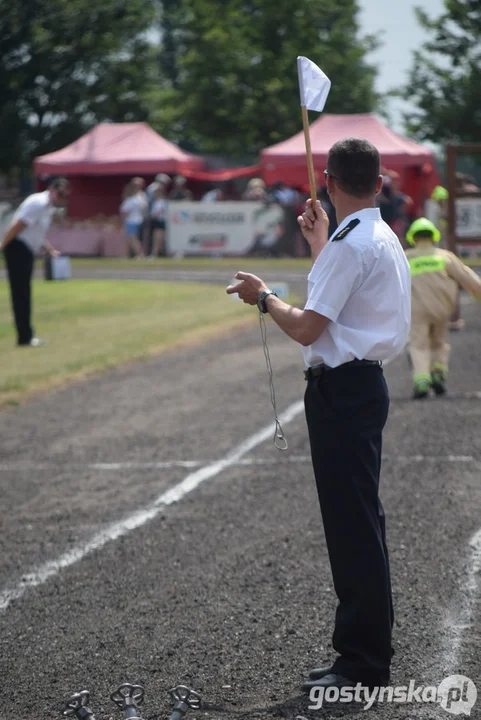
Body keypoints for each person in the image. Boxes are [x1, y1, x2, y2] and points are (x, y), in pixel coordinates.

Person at [227, 138, 411, 692]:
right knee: (361, 523)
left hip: (344, 391)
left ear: (329, 181)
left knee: (352, 529)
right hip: (361, 385)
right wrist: (318, 243)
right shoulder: (375, 235)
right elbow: (338, 306)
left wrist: (264, 297)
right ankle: (365, 652)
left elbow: (309, 327)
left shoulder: (350, 244)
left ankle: (362, 663)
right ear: (379, 184)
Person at [405, 217, 481, 399]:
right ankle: (438, 373)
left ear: (414, 238)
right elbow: (469, 279)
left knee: (419, 344)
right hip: (442, 309)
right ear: (433, 237)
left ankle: (421, 381)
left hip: (416, 310)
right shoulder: (444, 257)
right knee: (439, 343)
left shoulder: (406, 258)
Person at [0, 177, 70, 347]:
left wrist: (49, 249)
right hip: (18, 247)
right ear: (52, 190)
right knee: (21, 293)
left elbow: (36, 232)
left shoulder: (47, 207)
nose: (61, 199)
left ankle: (26, 335)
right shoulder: (38, 203)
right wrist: (2, 246)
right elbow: (17, 226)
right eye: (60, 194)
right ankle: (24, 337)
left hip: (25, 249)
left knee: (24, 292)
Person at [120, 177, 147, 258]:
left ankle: (140, 254)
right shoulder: (129, 195)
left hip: (134, 220)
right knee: (128, 239)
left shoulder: (141, 196)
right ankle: (126, 255)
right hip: (130, 220)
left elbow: (127, 211)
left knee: (133, 238)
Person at [148, 185, 168, 257]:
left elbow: (157, 213)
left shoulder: (161, 202)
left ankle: (155, 253)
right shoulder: (158, 201)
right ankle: (158, 253)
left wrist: (152, 217)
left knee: (157, 239)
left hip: (159, 222)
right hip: (158, 222)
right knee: (159, 239)